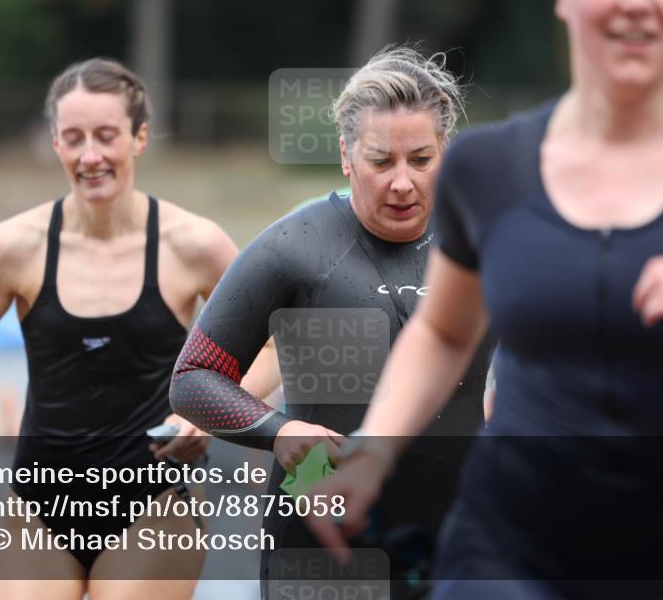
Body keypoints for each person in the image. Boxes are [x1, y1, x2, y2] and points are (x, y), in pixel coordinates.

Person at [305, 0, 663, 599]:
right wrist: (372, 449)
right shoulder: (488, 169)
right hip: (511, 552)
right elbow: (444, 333)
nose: (636, 0)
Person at [169, 46, 495, 598]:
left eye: (421, 160)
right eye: (380, 161)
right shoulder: (296, 246)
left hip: (457, 538)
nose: (401, 183)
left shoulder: (482, 241)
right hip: (322, 545)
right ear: (347, 156)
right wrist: (280, 432)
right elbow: (194, 378)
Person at [0, 58, 239, 599]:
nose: (90, 156)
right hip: (42, 502)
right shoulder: (14, 246)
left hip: (155, 499)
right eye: (73, 138)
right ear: (54, 142)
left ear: (139, 137)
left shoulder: (194, 244)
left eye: (105, 136)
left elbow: (271, 346)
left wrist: (208, 416)